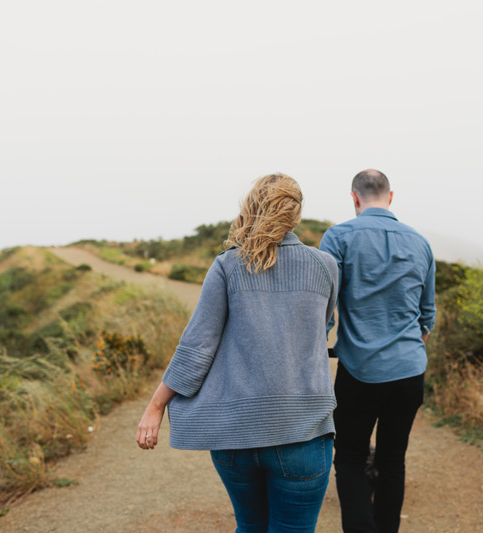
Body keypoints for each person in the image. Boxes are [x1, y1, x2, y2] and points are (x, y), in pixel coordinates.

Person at [136, 173, 339, 532]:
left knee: (250, 527)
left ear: (252, 206)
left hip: (235, 438)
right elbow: (321, 328)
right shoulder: (326, 266)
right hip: (303, 434)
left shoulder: (228, 265)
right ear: (295, 213)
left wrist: (156, 406)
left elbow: (197, 346)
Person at [319, 169, 436, 533]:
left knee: (351, 458)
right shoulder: (420, 243)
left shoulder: (338, 237)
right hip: (409, 373)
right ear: (390, 196)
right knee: (392, 461)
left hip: (358, 371)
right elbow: (426, 317)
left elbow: (322, 306)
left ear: (354, 198)